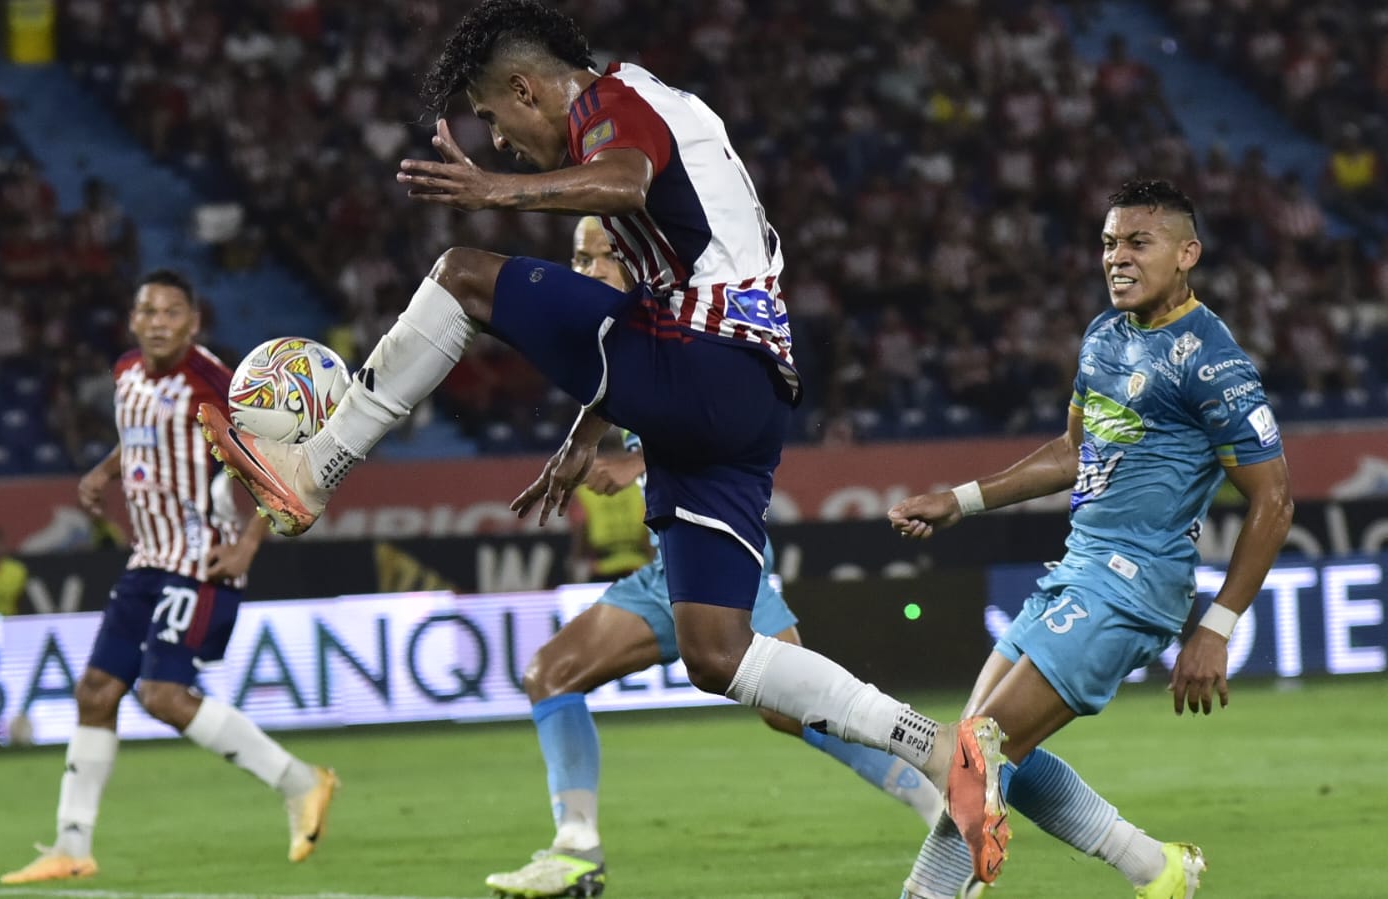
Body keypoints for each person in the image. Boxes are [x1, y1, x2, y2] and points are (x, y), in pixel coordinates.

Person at [199, 1, 1010, 884]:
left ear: (522, 87)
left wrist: (491, 196)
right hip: (739, 401)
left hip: (707, 367)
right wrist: (591, 422)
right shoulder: (657, 115)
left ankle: (313, 470)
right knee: (718, 651)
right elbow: (654, 285)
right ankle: (938, 751)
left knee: (463, 274)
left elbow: (621, 180)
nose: (499, 144)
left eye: (493, 119)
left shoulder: (612, 103)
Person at [483, 217, 948, 898]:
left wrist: (631, 458)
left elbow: (715, 416)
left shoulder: (686, 323)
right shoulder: (623, 334)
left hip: (723, 553)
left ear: (635, 258)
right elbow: (621, 395)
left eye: (594, 257)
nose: (580, 273)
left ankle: (941, 800)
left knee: (788, 709)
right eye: (574, 258)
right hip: (666, 569)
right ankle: (576, 849)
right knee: (548, 673)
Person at [887, 180, 1293, 899]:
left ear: (1186, 253)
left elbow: (1274, 497)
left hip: (1135, 586)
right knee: (970, 750)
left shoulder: (1210, 358)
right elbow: (1071, 452)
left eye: (1138, 242)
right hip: (1078, 569)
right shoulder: (1105, 335)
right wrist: (960, 500)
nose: (1117, 258)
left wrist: (1216, 626)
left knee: (980, 756)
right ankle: (1156, 868)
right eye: (1109, 242)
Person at [1, 271, 339, 885]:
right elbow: (143, 436)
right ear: (133, 320)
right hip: (146, 559)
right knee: (97, 693)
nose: (158, 321)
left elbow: (277, 466)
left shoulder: (213, 384)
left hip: (200, 560)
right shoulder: (126, 370)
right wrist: (107, 470)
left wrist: (249, 545)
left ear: (193, 322)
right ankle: (71, 846)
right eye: (147, 310)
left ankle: (300, 782)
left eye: (171, 312)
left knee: (162, 696)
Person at [566, 428, 653, 584]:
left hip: (601, 569)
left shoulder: (585, 488)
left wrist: (575, 563)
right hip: (638, 566)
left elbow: (581, 528)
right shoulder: (639, 482)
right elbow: (649, 528)